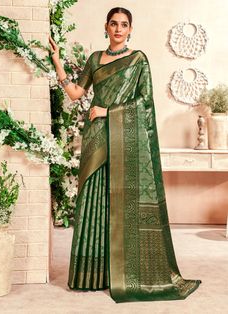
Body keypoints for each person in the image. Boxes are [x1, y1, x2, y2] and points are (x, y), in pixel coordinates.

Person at [49, 7, 201, 303]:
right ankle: (92, 275)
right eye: (113, 24)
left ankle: (123, 272)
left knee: (121, 201)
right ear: (106, 27)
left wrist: (109, 111)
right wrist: (57, 62)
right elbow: (77, 93)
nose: (118, 29)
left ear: (130, 29)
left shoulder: (138, 60)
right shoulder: (95, 60)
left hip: (122, 139)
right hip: (96, 139)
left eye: (124, 25)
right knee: (93, 201)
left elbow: (145, 102)